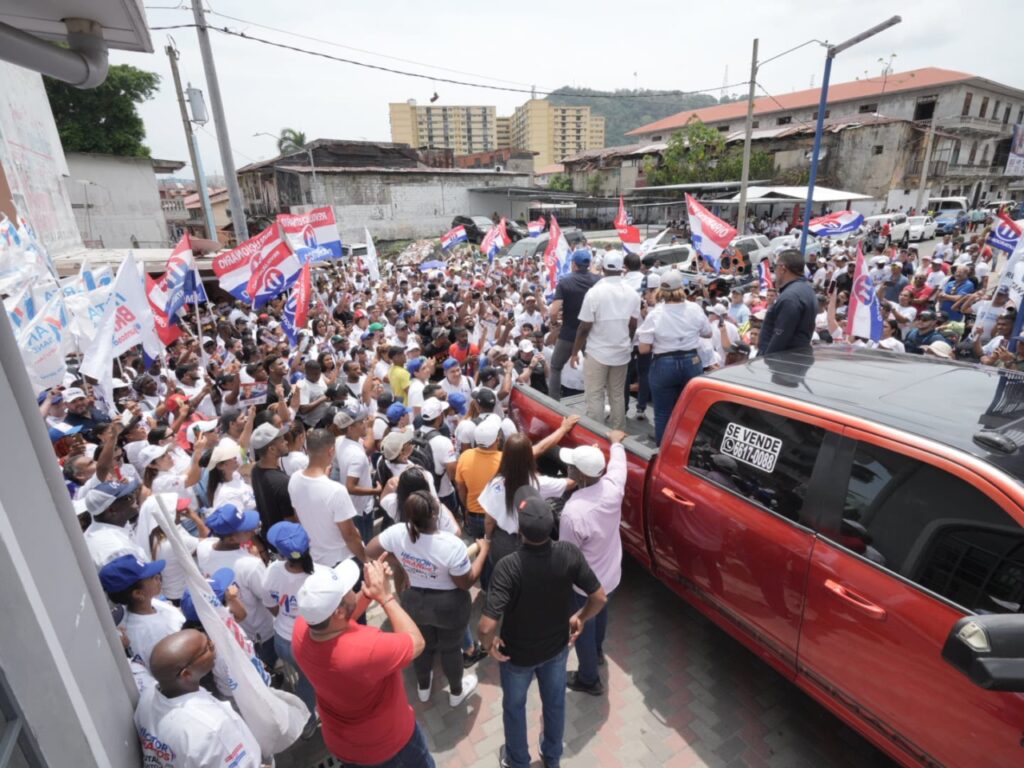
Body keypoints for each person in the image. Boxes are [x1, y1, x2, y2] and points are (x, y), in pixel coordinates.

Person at [479, 486, 607, 768]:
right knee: (555, 703)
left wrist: (488, 646)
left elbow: (487, 624)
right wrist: (581, 617)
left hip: (516, 656)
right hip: (557, 649)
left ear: (520, 531)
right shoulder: (569, 553)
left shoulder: (508, 566)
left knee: (514, 708)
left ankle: (517, 761)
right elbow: (599, 597)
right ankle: (551, 758)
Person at [292, 558, 435, 767]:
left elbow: (339, 621)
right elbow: (417, 643)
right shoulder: (365, 650)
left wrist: (368, 593)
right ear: (338, 611)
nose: (353, 588)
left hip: (345, 744)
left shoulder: (302, 629)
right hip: (389, 746)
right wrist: (385, 597)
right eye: (348, 589)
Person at [367, 490, 488, 706]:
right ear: (434, 514)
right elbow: (466, 582)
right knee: (451, 649)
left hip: (414, 602)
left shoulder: (397, 532)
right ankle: (456, 693)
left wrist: (402, 562)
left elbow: (370, 549)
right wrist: (484, 552)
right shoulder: (452, 545)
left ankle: (423, 687)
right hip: (449, 606)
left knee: (422, 646)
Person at [134, 629, 265, 767]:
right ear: (186, 674)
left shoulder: (147, 696)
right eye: (207, 648)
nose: (213, 645)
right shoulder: (212, 728)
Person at [559, 432, 627, 695]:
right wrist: (616, 442)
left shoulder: (574, 512)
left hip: (584, 585)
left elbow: (568, 556)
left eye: (572, 466)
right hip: (611, 575)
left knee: (582, 626)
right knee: (601, 612)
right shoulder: (613, 486)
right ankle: (598, 652)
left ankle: (589, 679)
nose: (569, 469)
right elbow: (618, 464)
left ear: (582, 476)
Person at [636, 270, 711, 445]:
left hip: (664, 363)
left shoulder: (656, 313)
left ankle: (663, 451)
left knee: (662, 413)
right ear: (681, 288)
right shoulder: (695, 308)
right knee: (689, 412)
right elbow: (707, 333)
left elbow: (644, 349)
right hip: (691, 361)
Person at [196, 504, 276, 668]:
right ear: (231, 538)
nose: (252, 530)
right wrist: (259, 561)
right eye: (246, 529)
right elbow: (269, 599)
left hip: (229, 631)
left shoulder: (203, 548)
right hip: (259, 634)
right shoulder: (250, 564)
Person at [570, 250, 641, 430]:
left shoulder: (594, 293)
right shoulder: (633, 293)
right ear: (622, 269)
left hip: (597, 353)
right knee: (617, 395)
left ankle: (596, 436)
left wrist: (574, 352)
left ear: (602, 268)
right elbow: (633, 326)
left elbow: (584, 327)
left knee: (594, 395)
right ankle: (619, 434)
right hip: (621, 353)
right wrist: (627, 343)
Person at [262, 521, 321, 738]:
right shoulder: (317, 575)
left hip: (281, 639)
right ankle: (306, 724)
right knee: (310, 682)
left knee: (300, 674)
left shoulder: (273, 571)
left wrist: (284, 616)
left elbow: (269, 603)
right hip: (305, 643)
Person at [288, 428, 365, 567]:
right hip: (340, 561)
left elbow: (298, 516)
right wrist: (366, 559)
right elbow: (350, 536)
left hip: (314, 558)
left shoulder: (294, 479)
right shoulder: (337, 491)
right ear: (331, 451)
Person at [99, 554, 184, 668]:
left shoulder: (152, 602)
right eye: (152, 577)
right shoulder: (153, 633)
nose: (158, 577)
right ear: (138, 594)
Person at [547, 250, 600, 398]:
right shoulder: (598, 280)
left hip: (569, 333)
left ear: (574, 264)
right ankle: (596, 401)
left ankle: (554, 404)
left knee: (556, 367)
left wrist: (554, 322)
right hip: (592, 333)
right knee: (595, 372)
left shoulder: (565, 281)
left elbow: (553, 311)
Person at [333, 407, 381, 543]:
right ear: (349, 428)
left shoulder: (340, 440)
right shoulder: (356, 456)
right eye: (360, 422)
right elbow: (351, 487)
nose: (364, 423)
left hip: (352, 506)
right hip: (360, 509)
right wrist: (375, 491)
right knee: (365, 544)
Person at [759, 249, 816, 355]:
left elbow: (780, 337)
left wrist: (766, 361)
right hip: (795, 360)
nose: (774, 271)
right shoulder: (807, 289)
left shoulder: (790, 297)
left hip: (782, 363)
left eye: (775, 266)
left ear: (782, 268)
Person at [83, 478, 149, 568]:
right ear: (112, 510)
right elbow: (142, 581)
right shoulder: (119, 549)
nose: (134, 497)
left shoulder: (102, 528)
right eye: (128, 498)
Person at [249, 422, 296, 531]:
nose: (286, 442)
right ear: (272, 449)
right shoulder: (283, 482)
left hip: (270, 536)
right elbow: (291, 522)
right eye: (282, 441)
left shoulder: (256, 469)